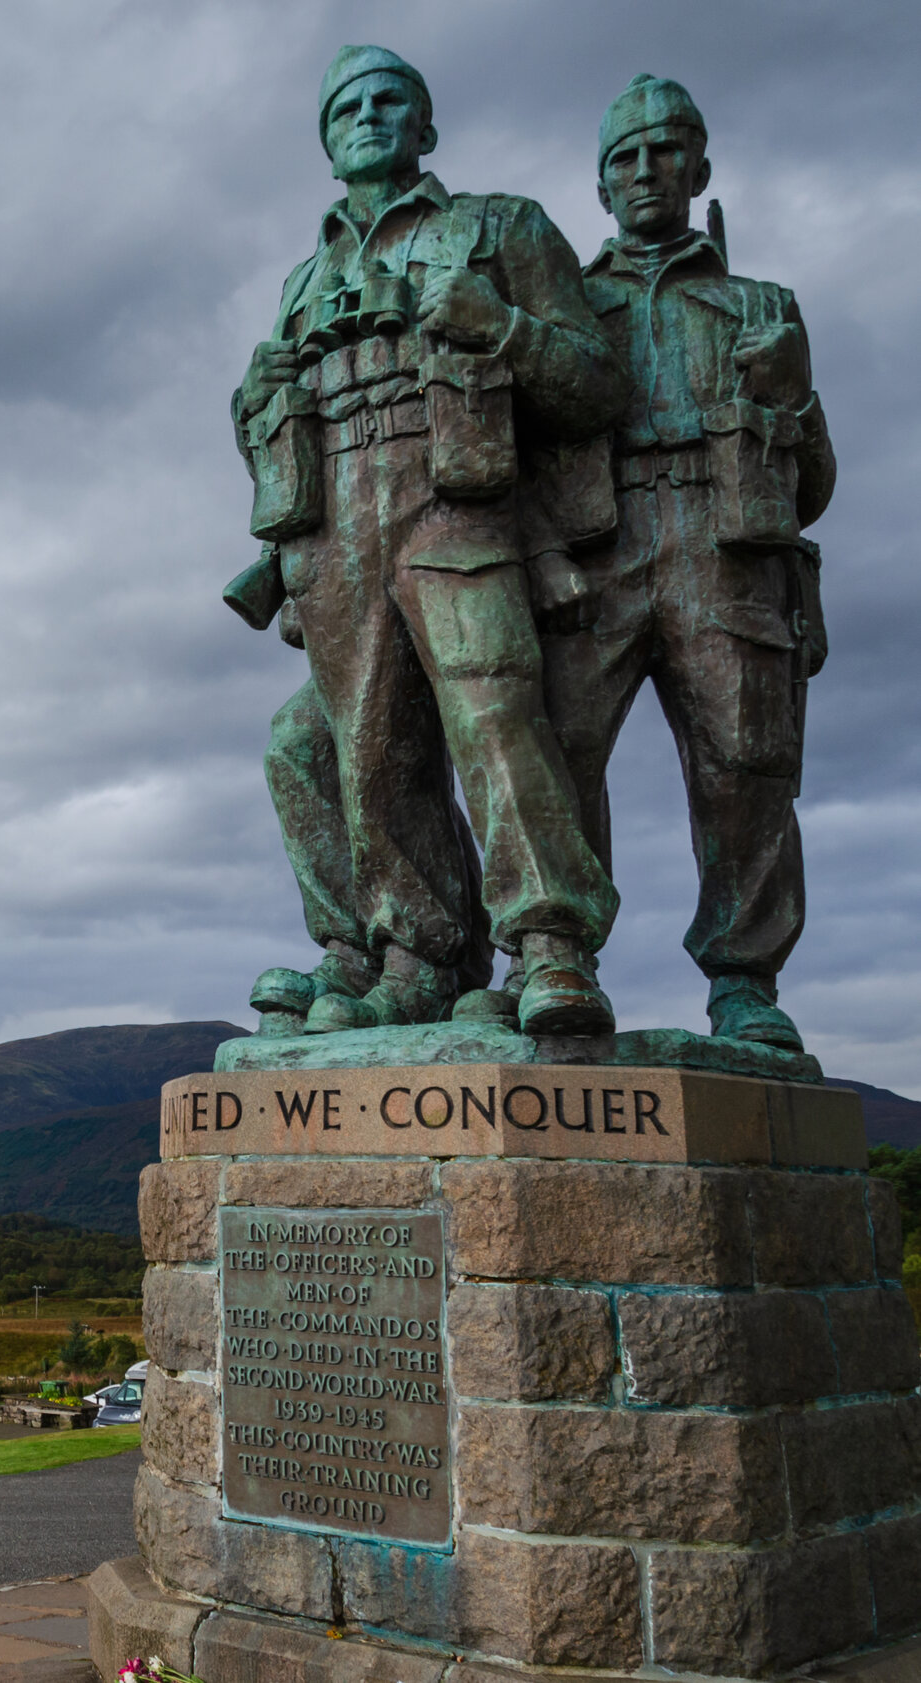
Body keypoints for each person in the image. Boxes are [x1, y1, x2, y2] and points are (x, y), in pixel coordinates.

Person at [235, 46, 628, 1036]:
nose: (366, 117)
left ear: (425, 126)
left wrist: (499, 326)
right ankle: (414, 955)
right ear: (326, 144)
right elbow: (270, 439)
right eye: (345, 109)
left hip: (454, 494)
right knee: (368, 753)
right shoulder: (302, 280)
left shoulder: (498, 227)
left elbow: (595, 385)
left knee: (493, 707)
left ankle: (548, 946)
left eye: (388, 100)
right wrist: (255, 403)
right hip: (336, 526)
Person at [538, 75, 835, 1049]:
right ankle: (559, 954)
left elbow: (815, 483)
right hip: (602, 543)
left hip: (725, 545)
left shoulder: (761, 304)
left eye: (663, 150)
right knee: (557, 748)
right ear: (599, 186)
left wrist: (786, 395)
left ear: (698, 166)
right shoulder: (567, 305)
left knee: (745, 764)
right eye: (622, 157)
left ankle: (744, 980)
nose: (643, 170)